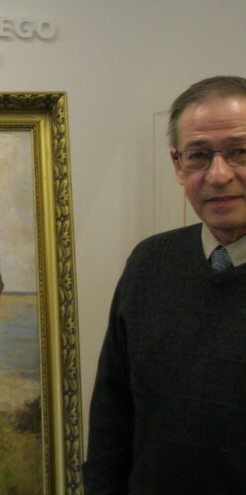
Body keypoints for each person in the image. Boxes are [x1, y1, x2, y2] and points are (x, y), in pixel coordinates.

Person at [83, 75, 246, 494]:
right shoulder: (149, 264)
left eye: (240, 152)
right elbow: (111, 416)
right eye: (199, 156)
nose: (219, 175)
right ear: (177, 165)